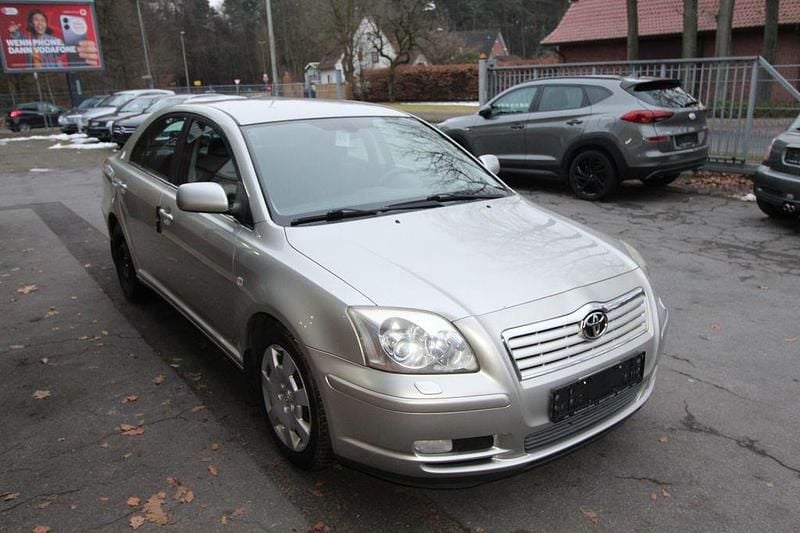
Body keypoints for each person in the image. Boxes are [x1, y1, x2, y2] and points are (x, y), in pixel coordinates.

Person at [8, 9, 99, 68]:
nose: (40, 23)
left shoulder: (54, 40)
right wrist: (14, 32)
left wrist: (76, 48)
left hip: (52, 74)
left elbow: (64, 50)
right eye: (36, 20)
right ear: (31, 23)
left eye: (43, 20)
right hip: (33, 73)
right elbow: (17, 39)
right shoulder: (27, 38)